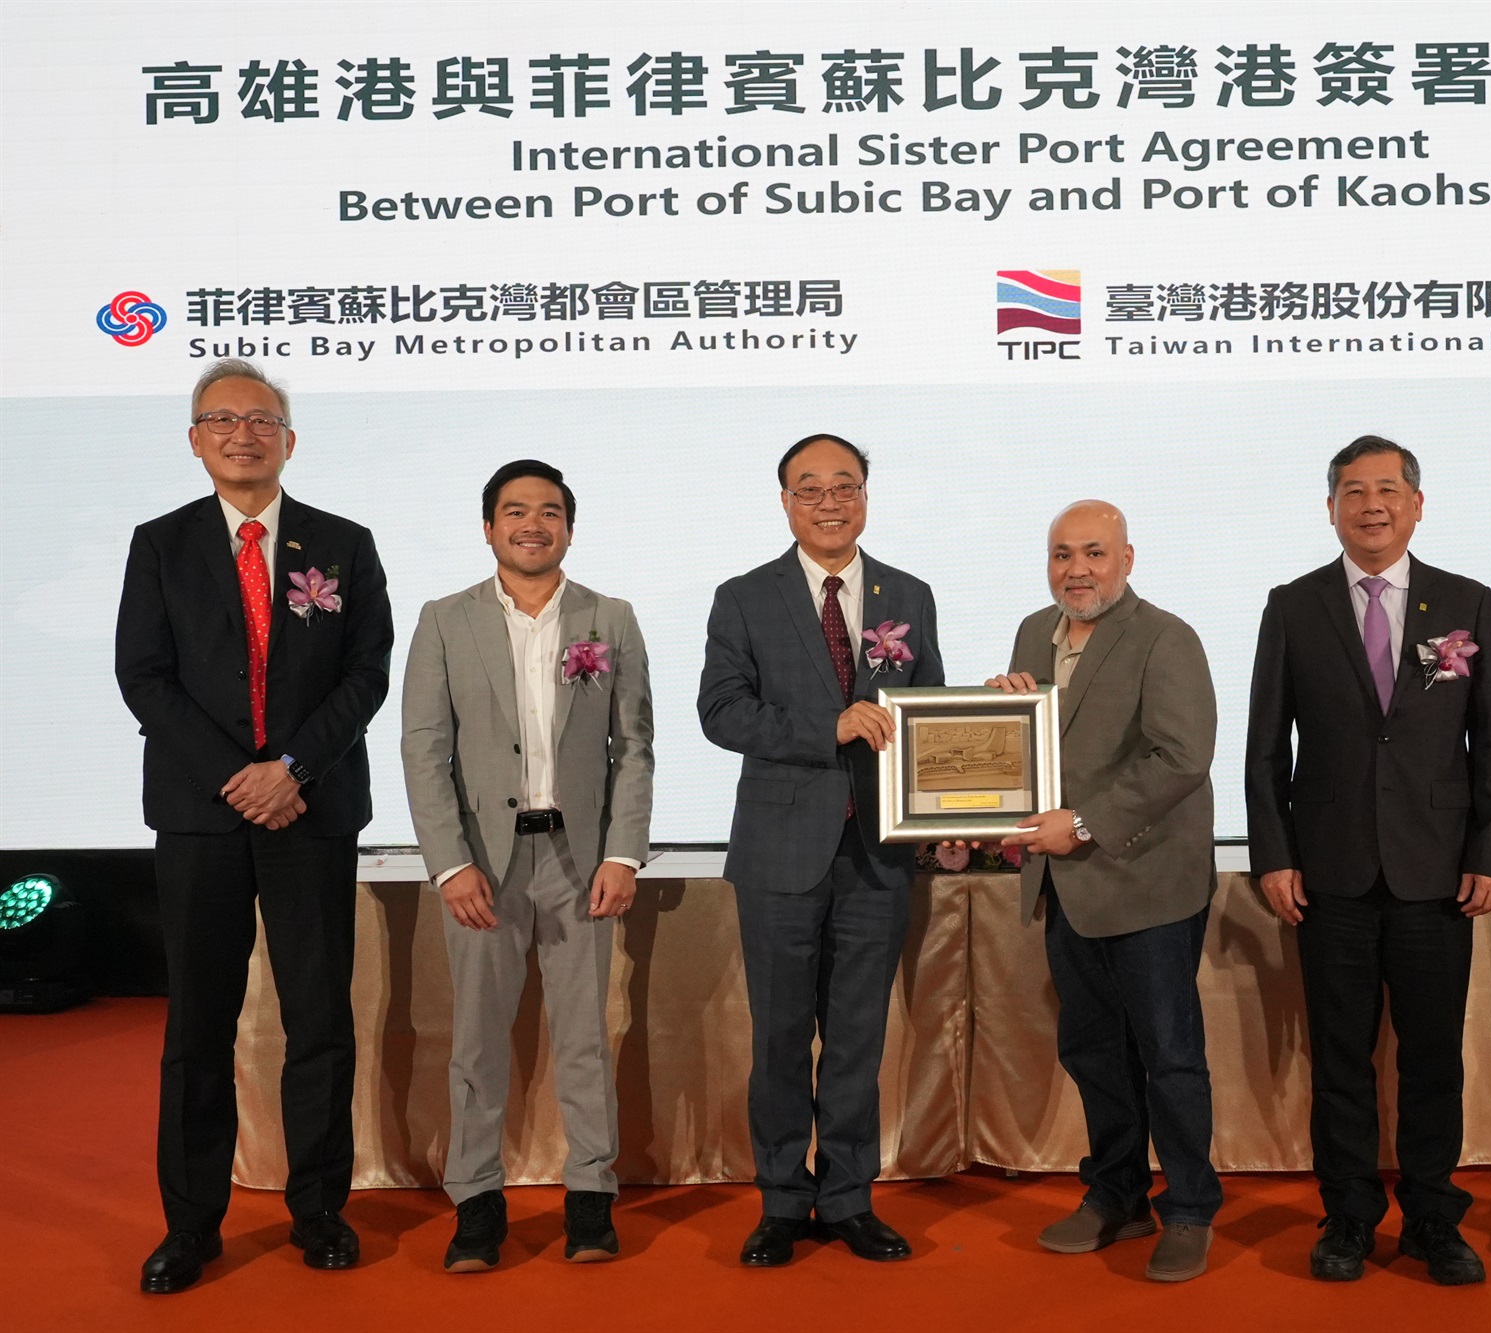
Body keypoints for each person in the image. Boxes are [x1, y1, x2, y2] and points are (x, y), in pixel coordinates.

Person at [115, 359, 392, 1293]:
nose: (243, 433)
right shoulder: (160, 544)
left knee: (319, 1018)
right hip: (201, 816)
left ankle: (319, 1210)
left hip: (310, 810)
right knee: (198, 1023)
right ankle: (192, 1223)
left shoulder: (342, 544)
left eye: (261, 419)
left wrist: (292, 769)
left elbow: (367, 673)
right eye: (221, 420)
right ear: (195, 440)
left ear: (289, 438)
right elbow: (144, 677)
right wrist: (238, 776)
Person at [1245, 436, 1491, 1286]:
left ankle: (1435, 1216)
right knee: (1341, 1056)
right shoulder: (1293, 605)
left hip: (1438, 873)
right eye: (1354, 491)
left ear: (1417, 503)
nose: (1372, 504)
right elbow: (1264, 750)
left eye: (1389, 490)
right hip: (1330, 875)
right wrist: (1274, 855)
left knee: (1434, 1055)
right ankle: (1349, 1217)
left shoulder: (1467, 602)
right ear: (1330, 507)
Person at [697, 433, 943, 1267]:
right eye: (811, 488)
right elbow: (722, 711)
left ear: (866, 496)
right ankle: (780, 1200)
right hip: (779, 852)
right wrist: (826, 727)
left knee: (858, 1038)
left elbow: (930, 716)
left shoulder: (908, 591)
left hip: (878, 852)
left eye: (845, 485)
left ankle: (847, 1198)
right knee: (778, 1037)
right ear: (785, 501)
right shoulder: (743, 597)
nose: (830, 501)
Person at [401, 460, 653, 1272]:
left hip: (582, 860)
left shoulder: (608, 618)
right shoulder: (445, 619)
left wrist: (623, 849)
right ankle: (476, 1204)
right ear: (488, 527)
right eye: (515, 511)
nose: (532, 524)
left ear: (569, 529)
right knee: (476, 1044)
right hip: (482, 863)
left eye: (549, 511)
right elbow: (424, 750)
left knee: (583, 1037)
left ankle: (590, 1196)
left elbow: (635, 746)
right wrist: (448, 863)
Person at [987, 500, 1222, 1283]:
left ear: (1127, 557)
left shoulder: (1167, 636)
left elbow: (1182, 757)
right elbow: (1036, 749)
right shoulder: (1032, 632)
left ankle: (1189, 1207)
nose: (1076, 569)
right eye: (1061, 554)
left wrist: (1083, 824)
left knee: (1169, 1055)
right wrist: (1000, 719)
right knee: (1092, 1050)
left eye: (1093, 552)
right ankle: (1117, 1195)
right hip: (1066, 884)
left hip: (1147, 881)